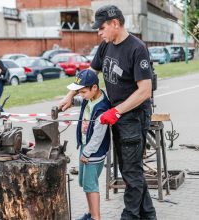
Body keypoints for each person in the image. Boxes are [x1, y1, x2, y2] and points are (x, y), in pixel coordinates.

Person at [59, 5, 157, 220]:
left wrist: (117, 111)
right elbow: (90, 72)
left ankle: (129, 216)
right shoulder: (106, 46)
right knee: (131, 171)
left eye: (101, 28)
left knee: (130, 173)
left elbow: (145, 91)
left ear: (115, 23)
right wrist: (68, 96)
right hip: (116, 115)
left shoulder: (137, 48)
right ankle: (149, 215)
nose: (99, 33)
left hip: (132, 117)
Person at [66, 69, 110, 220]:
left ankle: (96, 217)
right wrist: (68, 103)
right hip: (86, 147)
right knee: (85, 183)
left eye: (83, 92)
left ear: (94, 88)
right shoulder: (90, 98)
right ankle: (90, 214)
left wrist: (86, 153)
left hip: (93, 152)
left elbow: (98, 137)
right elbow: (82, 100)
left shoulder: (102, 108)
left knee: (91, 185)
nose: (81, 95)